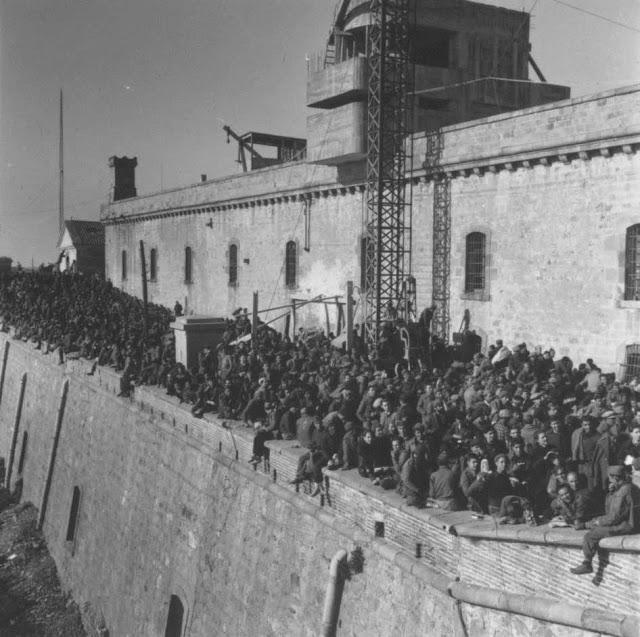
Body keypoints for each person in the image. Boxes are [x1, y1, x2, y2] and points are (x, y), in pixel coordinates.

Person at [570, 465, 639, 575]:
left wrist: (591, 524)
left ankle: (587, 563)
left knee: (592, 534)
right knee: (595, 525)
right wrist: (611, 494)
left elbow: (613, 518)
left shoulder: (623, 492)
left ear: (615, 478)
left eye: (610, 479)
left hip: (627, 526)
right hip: (630, 523)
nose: (609, 481)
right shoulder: (629, 487)